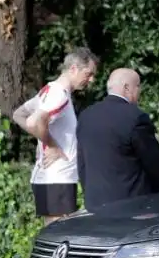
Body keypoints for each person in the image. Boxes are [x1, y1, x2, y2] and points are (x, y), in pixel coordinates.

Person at [12, 47, 99, 225]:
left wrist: (42, 138)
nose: (91, 80)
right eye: (88, 74)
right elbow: (33, 122)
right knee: (60, 239)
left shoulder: (48, 90)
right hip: (57, 178)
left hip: (48, 177)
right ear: (73, 68)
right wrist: (51, 145)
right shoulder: (59, 95)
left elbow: (19, 115)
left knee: (54, 236)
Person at [76, 68, 159, 211]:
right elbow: (155, 165)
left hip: (96, 206)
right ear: (127, 88)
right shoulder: (135, 117)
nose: (139, 92)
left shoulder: (86, 116)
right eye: (138, 86)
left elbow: (82, 164)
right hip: (132, 207)